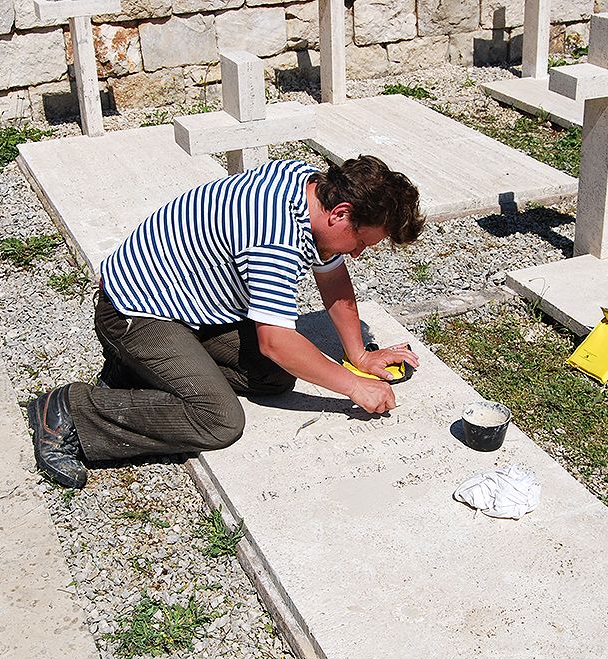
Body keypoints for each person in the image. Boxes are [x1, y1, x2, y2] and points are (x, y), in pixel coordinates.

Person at [28, 155, 425, 488]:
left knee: (275, 377)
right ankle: (70, 410)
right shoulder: (275, 232)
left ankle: (142, 371)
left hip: (188, 307)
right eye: (361, 243)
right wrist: (354, 386)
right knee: (217, 419)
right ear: (341, 215)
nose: (356, 254)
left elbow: (333, 274)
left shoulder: (312, 186)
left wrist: (359, 354)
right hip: (134, 312)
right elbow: (275, 341)